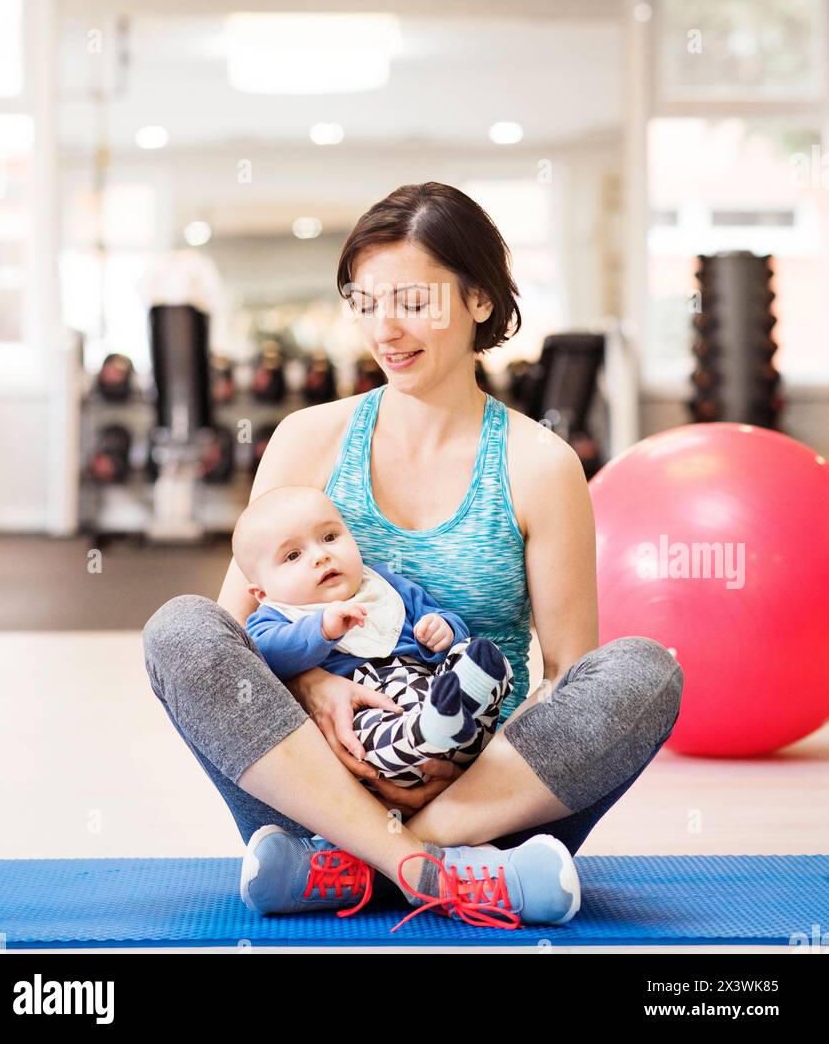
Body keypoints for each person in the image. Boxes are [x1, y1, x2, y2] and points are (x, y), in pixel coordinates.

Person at [142, 181, 684, 929]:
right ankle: (424, 872)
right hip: (316, 794)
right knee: (181, 628)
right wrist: (314, 691)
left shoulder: (540, 463)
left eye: (414, 301)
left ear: (480, 301)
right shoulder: (309, 439)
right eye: (366, 303)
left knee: (644, 673)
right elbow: (232, 639)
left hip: (478, 799)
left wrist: (453, 764)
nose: (385, 329)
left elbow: (569, 677)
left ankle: (370, 866)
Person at [234, 484, 514, 788]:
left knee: (474, 653)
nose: (320, 556)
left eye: (329, 537)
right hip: (374, 720)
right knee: (364, 736)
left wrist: (443, 630)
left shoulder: (385, 585)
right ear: (261, 593)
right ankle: (429, 730)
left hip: (435, 694)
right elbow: (264, 656)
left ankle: (456, 709)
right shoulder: (272, 617)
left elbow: (441, 618)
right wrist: (321, 629)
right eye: (292, 556)